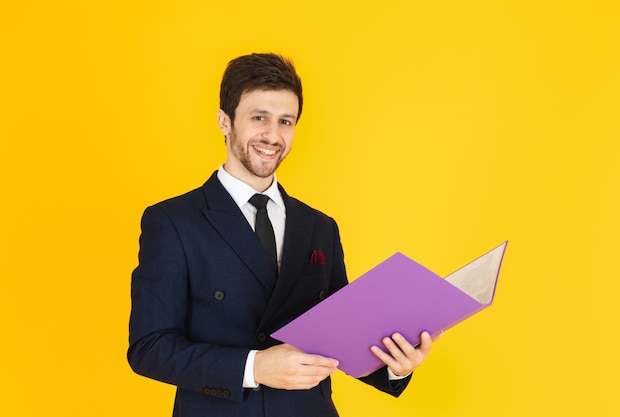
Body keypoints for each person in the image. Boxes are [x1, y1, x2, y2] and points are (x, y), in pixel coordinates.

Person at [128, 52, 437, 417]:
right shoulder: (173, 221)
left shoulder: (320, 226)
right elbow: (149, 348)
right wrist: (254, 367)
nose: (273, 136)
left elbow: (344, 333)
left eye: (285, 121)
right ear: (225, 121)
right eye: (259, 118)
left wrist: (395, 367)